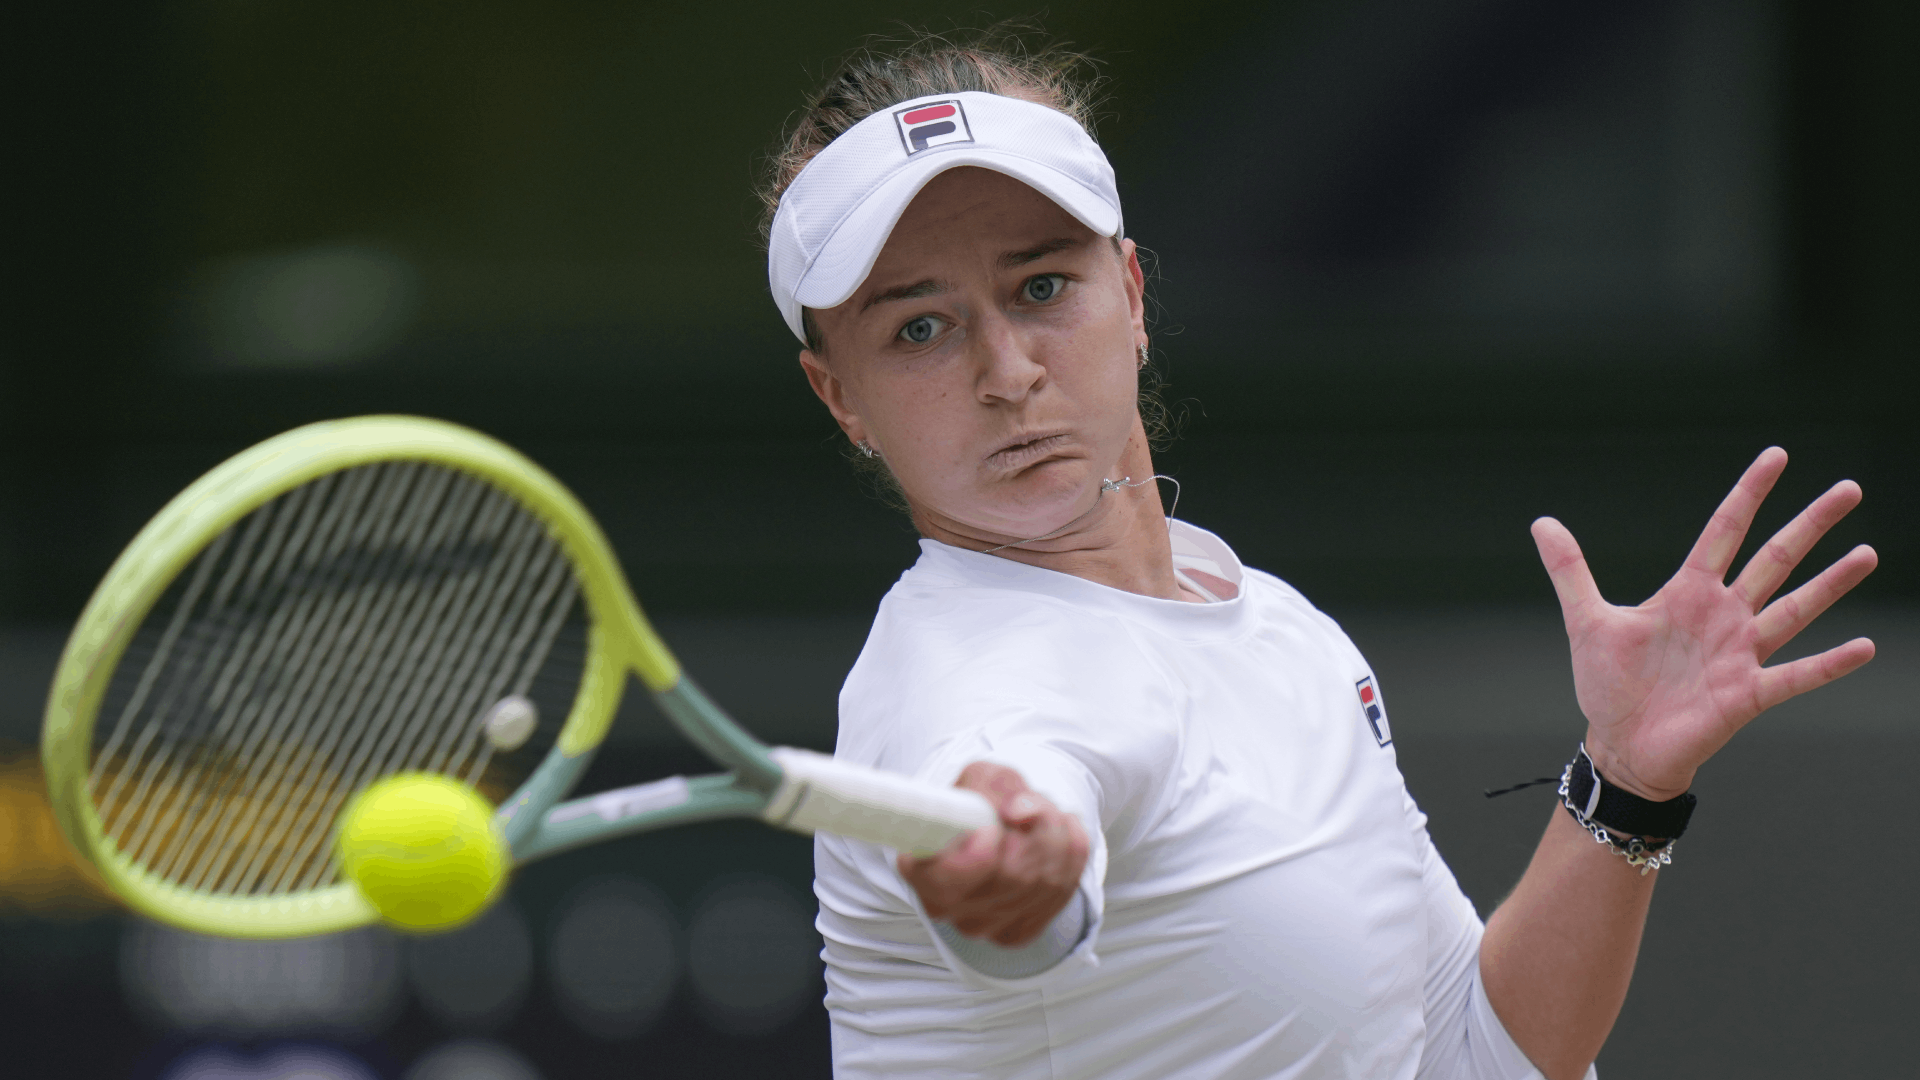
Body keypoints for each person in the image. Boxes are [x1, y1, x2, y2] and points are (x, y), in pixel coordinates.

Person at [756, 31, 1878, 1080]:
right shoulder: (963, 695)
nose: (1006, 370)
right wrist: (1015, 864)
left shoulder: (1270, 622)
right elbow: (1014, 797)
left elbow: (1473, 1048)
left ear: (1134, 294)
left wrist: (1628, 786)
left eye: (1042, 287)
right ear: (839, 396)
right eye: (920, 328)